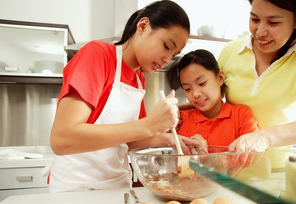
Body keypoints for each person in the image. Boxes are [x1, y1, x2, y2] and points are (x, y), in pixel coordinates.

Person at [49, 0, 198, 192]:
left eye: (174, 54)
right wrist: (149, 124)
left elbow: (129, 139)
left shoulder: (138, 79)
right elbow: (62, 139)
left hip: (117, 187)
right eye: (166, 46)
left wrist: (169, 140)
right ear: (143, 26)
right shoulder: (98, 55)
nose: (167, 59)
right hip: (78, 189)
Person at [218, 0, 296, 154]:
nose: (260, 32)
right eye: (254, 19)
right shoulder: (230, 51)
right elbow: (208, 102)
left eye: (273, 22)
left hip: (280, 169)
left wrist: (265, 137)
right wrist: (177, 111)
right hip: (233, 164)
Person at [175, 49, 259, 147]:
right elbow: (180, 160)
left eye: (202, 83)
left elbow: (254, 158)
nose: (195, 94)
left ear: (220, 78)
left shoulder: (241, 116)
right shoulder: (182, 120)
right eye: (187, 89)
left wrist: (205, 155)